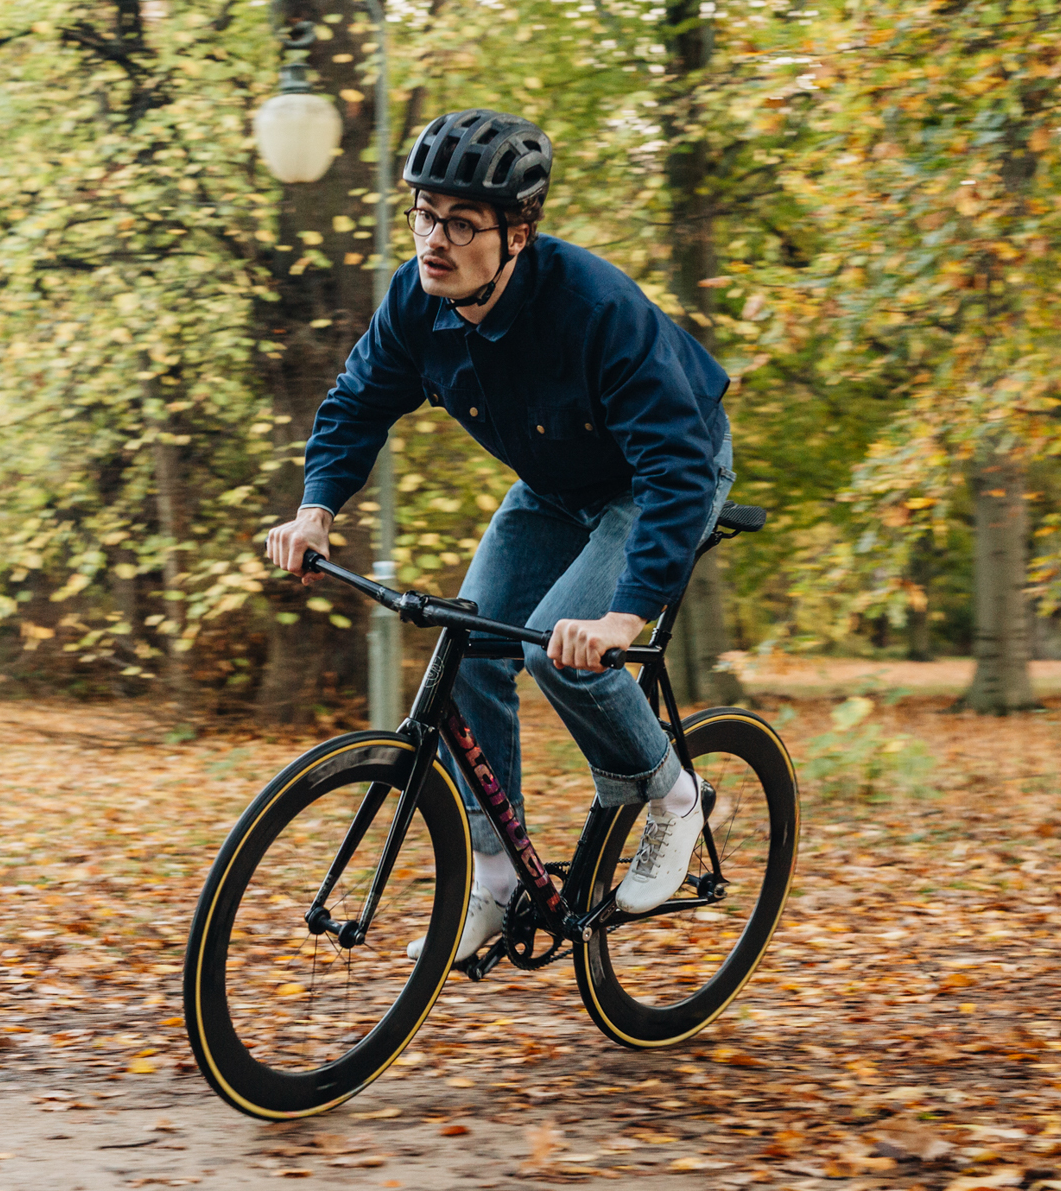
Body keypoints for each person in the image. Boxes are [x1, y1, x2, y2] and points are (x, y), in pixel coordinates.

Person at [266, 108, 735, 962]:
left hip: (663, 475)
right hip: (555, 487)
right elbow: (356, 404)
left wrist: (623, 618)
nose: (432, 239)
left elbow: (677, 472)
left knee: (561, 652)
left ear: (517, 234)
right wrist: (315, 510)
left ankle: (675, 797)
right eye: (421, 213)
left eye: (459, 222)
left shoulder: (594, 309)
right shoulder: (418, 298)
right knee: (467, 640)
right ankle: (498, 870)